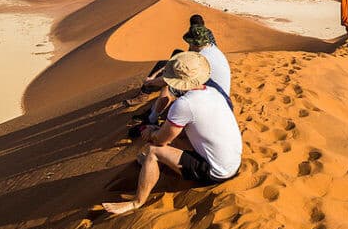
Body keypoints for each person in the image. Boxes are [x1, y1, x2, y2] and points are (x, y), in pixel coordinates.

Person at [103, 52, 243, 215]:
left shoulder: (184, 104)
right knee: (175, 137)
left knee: (154, 152)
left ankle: (137, 202)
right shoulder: (213, 92)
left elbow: (161, 141)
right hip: (234, 162)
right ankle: (151, 165)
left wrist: (150, 132)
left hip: (217, 171)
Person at [130, 22, 232, 131]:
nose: (189, 46)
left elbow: (167, 79)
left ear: (195, 43)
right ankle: (153, 114)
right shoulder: (212, 48)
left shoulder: (199, 58)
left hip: (211, 100)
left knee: (169, 87)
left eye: (190, 43)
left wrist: (150, 82)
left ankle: (152, 119)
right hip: (221, 96)